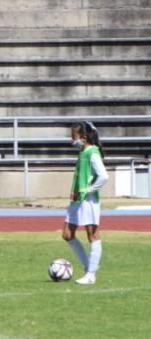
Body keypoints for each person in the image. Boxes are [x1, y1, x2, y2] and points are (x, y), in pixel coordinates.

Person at [64, 120, 107, 286]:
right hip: (77, 200)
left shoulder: (92, 152)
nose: (71, 140)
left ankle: (90, 274)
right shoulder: (83, 152)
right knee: (67, 234)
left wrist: (89, 189)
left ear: (83, 137)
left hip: (88, 200)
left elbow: (103, 176)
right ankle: (89, 268)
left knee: (92, 235)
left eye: (73, 137)